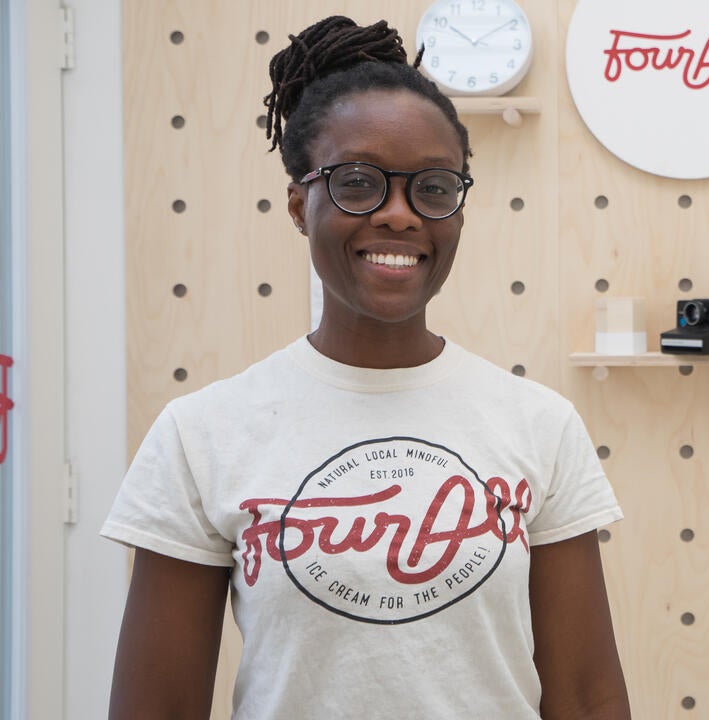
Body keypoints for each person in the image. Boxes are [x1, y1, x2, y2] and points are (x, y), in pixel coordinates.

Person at [103, 15, 630, 719]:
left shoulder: (540, 424)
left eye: (433, 188)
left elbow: (587, 696)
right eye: (358, 183)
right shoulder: (202, 434)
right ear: (300, 205)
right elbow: (156, 708)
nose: (400, 215)